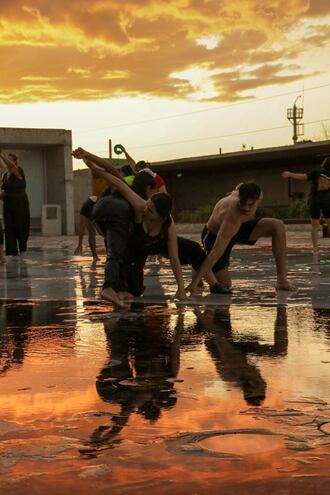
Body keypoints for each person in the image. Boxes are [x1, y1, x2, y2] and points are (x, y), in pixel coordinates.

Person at [72, 147, 187, 306]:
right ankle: (109, 287)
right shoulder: (140, 203)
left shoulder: (168, 225)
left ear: (161, 218)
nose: (146, 210)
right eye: (148, 206)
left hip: (129, 240)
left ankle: (121, 288)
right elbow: (115, 178)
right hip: (108, 216)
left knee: (135, 288)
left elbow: (174, 257)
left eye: (151, 211)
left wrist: (181, 287)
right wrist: (92, 164)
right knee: (117, 249)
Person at [187, 182, 295, 295]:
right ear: (239, 198)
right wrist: (194, 282)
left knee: (277, 225)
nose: (246, 209)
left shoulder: (257, 194)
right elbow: (216, 252)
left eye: (250, 205)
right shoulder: (231, 213)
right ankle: (198, 265)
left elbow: (241, 185)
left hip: (239, 229)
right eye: (242, 204)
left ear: (257, 198)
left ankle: (282, 281)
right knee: (224, 284)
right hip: (215, 235)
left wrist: (237, 189)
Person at [281, 157, 330, 254]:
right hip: (327, 202)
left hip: (315, 201)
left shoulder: (316, 172)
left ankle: (315, 249)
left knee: (314, 227)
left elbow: (303, 177)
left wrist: (290, 174)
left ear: (323, 164)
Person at [0, 153, 30, 257]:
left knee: (20, 228)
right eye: (6, 160)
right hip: (8, 205)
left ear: (16, 162)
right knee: (9, 230)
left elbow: (11, 166)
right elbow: (5, 192)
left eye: (9, 160)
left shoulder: (19, 171)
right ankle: (11, 253)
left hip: (19, 205)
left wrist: (1, 155)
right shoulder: (5, 175)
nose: (7, 162)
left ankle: (23, 252)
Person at [74, 195, 99, 259]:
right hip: (91, 205)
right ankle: (95, 256)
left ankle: (95, 256)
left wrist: (79, 244)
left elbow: (81, 228)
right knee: (92, 233)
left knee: (92, 233)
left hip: (90, 203)